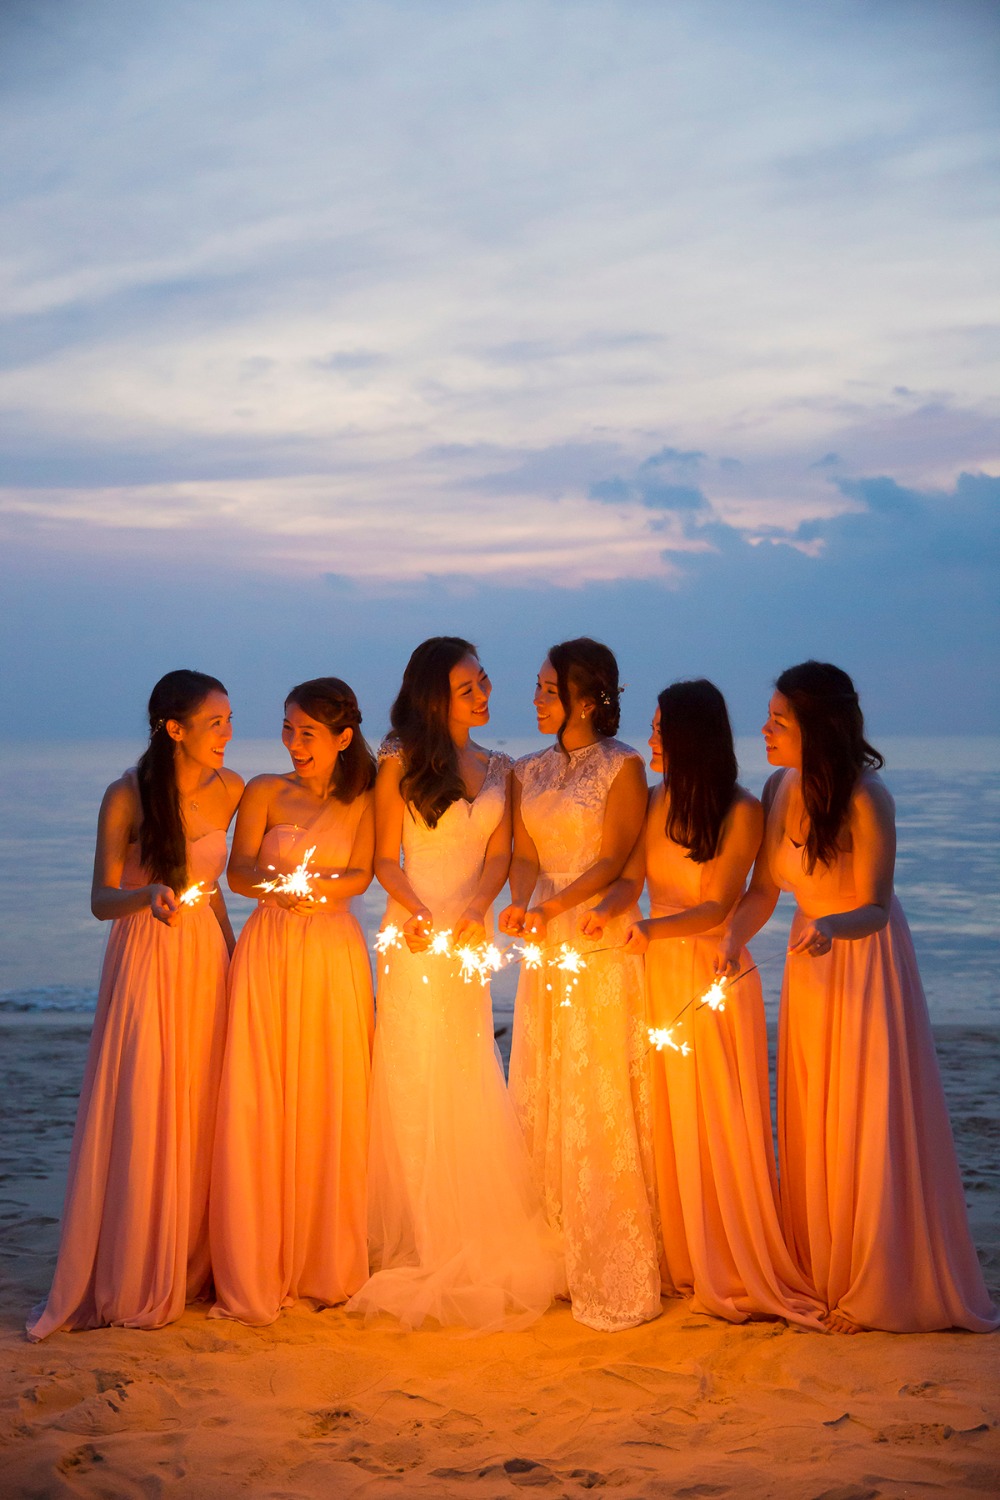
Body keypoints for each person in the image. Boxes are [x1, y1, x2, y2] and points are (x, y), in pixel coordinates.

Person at [719, 661, 999, 1333]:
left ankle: (875, 1279)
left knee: (864, 1112)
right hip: (809, 962)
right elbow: (765, 890)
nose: (764, 729)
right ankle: (824, 1266)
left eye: (779, 721)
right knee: (814, 1110)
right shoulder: (778, 787)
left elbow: (873, 905)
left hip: (863, 961)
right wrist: (731, 940)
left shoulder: (869, 798)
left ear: (819, 728)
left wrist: (832, 929)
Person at [585, 681, 824, 1329]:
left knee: (717, 1117)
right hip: (652, 970)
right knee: (664, 1116)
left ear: (690, 737)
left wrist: (652, 932)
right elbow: (632, 878)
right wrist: (608, 912)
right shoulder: (655, 802)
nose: (652, 737)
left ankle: (729, 1256)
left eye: (661, 728)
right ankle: (681, 1256)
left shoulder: (742, 812)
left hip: (709, 975)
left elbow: (720, 904)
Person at [348, 637, 560, 1331]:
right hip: (411, 932)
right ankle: (421, 1227)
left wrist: (476, 910)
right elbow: (384, 855)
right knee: (413, 1071)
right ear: (435, 693)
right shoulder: (398, 761)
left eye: (485, 681)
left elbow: (500, 855)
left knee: (467, 1064)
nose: (484, 692)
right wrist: (415, 909)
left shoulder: (502, 766)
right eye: (469, 684)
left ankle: (468, 1216)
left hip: (470, 936)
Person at [28, 670, 242, 1339]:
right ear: (173, 728)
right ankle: (138, 1261)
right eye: (215, 723)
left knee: (204, 1102)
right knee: (150, 1100)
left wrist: (237, 957)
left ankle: (191, 1258)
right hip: (147, 956)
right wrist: (146, 897)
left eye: (231, 721)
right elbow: (99, 898)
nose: (227, 735)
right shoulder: (125, 794)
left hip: (204, 953)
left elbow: (218, 891)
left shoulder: (232, 789)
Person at [501, 638, 660, 1332]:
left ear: (588, 698)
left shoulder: (624, 766)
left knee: (594, 1084)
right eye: (537, 688)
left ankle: (611, 1253)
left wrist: (558, 909)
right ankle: (549, 1250)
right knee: (546, 1078)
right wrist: (519, 902)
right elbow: (524, 852)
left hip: (595, 928)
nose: (535, 700)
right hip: (544, 932)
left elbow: (617, 857)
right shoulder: (526, 771)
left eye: (547, 689)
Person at [211, 678, 376, 1325]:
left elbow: (363, 872)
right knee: (263, 1092)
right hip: (271, 945)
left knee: (328, 1092)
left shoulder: (362, 797)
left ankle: (324, 1259)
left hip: (334, 949)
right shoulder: (263, 790)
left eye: (307, 732)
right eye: (287, 728)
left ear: (341, 737)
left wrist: (322, 888)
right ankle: (259, 1255)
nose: (293, 743)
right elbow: (239, 870)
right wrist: (280, 887)